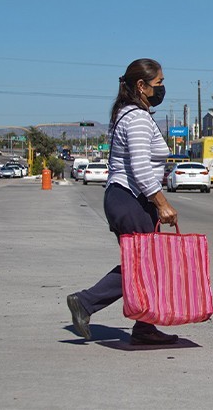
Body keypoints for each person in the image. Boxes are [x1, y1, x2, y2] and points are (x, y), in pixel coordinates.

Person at [66, 58, 180, 345]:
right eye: (159, 83)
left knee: (146, 265)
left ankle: (144, 327)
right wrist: (161, 202)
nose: (163, 88)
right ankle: (86, 302)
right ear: (141, 86)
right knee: (141, 266)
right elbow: (141, 167)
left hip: (125, 198)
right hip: (131, 199)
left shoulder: (126, 114)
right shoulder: (138, 118)